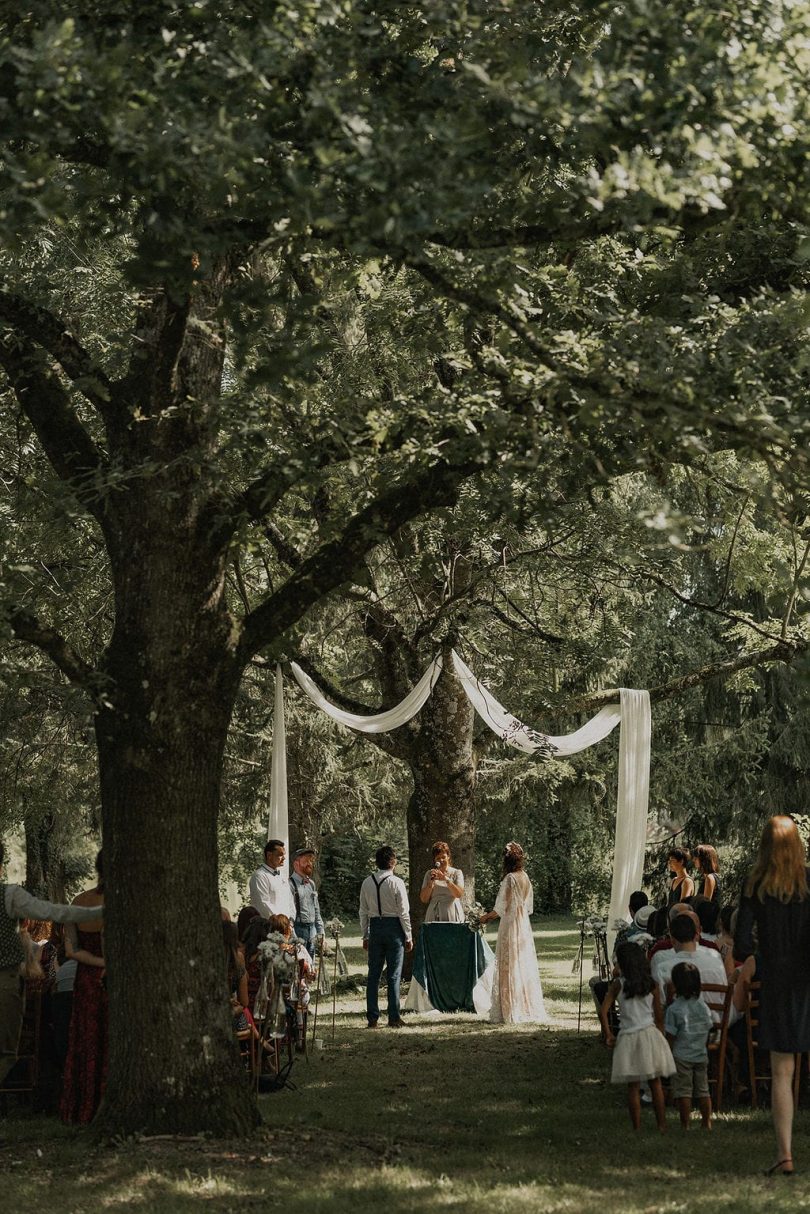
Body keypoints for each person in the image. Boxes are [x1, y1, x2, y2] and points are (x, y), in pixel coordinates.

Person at [734, 814, 810, 1177]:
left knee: (782, 1071)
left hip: (779, 982)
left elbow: (744, 942)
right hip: (807, 978)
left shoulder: (755, 884)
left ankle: (785, 1154)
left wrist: (757, 957)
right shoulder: (809, 881)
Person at [0, 841, 104, 1090]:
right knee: (5, 1053)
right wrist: (95, 913)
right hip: (5, 980)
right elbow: (50, 911)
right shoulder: (10, 895)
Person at [600, 941, 675, 1132]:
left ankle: (637, 1127)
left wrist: (608, 1033)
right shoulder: (652, 985)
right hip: (649, 1034)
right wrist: (662, 1038)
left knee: (633, 1087)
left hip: (628, 1036)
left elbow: (603, 1010)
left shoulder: (618, 985)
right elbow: (659, 1017)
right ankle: (662, 1124)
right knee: (655, 1083)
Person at [59, 851, 106, 1124]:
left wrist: (96, 962)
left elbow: (71, 949)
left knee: (88, 1040)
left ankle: (83, 1107)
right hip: (108, 978)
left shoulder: (78, 902)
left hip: (86, 977)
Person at [480, 842, 547, 1024]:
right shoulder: (525, 877)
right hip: (522, 924)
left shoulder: (510, 879)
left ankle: (510, 1009)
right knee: (521, 963)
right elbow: (526, 905)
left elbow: (500, 909)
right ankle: (524, 1006)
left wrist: (482, 918)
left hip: (510, 925)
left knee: (508, 964)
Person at [359, 845, 412, 1028]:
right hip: (394, 928)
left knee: (373, 974)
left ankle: (372, 1017)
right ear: (393, 862)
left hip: (375, 927)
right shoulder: (397, 882)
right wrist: (408, 935)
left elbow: (363, 911)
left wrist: (365, 934)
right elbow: (403, 911)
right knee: (393, 974)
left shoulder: (367, 882)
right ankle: (394, 1016)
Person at [664, 961, 714, 1131]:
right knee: (703, 1090)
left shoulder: (674, 1009)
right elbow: (709, 1027)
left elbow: (670, 1035)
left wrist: (667, 1053)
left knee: (684, 1091)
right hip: (701, 1053)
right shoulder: (703, 1006)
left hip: (682, 1055)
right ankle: (706, 1122)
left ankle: (685, 1124)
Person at [651, 914, 728, 1017]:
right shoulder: (716, 960)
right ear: (696, 935)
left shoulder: (663, 968)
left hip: (678, 1030)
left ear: (672, 940)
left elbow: (658, 1006)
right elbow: (724, 998)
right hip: (712, 1028)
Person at [289, 847, 324, 959]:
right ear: (296, 864)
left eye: (311, 861)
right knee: (299, 964)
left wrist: (321, 931)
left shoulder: (311, 884)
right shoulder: (289, 884)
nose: (310, 864)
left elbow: (316, 909)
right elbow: (288, 912)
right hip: (298, 930)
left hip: (312, 929)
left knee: (311, 966)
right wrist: (293, 936)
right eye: (306, 861)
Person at [249, 839, 296, 920]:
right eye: (280, 855)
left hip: (288, 926)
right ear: (269, 855)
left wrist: (291, 920)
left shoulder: (282, 875)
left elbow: (290, 900)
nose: (284, 858)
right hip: (269, 926)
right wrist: (281, 923)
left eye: (284, 855)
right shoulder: (259, 876)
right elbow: (263, 904)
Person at [419, 841, 465, 923]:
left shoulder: (457, 873)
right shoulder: (429, 874)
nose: (441, 860)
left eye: (443, 857)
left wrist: (445, 879)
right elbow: (424, 899)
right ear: (434, 860)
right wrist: (430, 884)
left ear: (448, 857)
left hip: (452, 912)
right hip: (434, 913)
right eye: (438, 858)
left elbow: (459, 894)